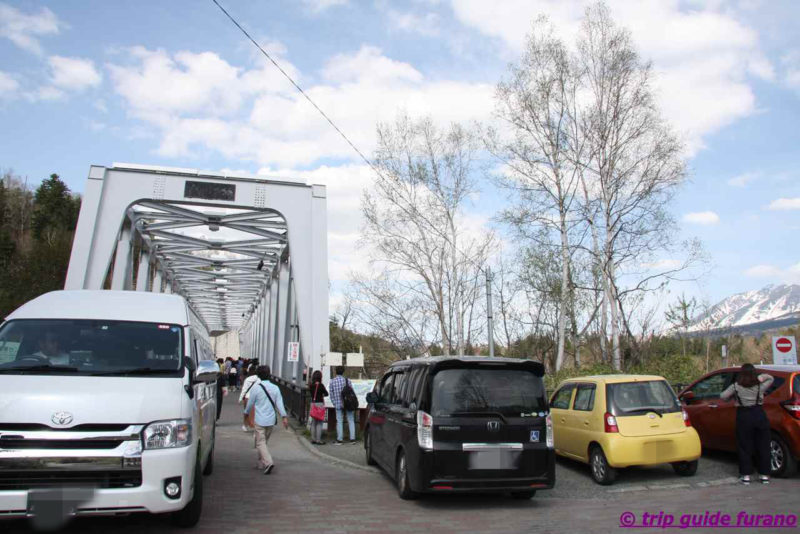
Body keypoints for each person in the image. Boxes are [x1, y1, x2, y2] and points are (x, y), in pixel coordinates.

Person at [721, 363, 775, 485]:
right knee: (763, 445)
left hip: (744, 415)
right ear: (754, 373)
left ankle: (746, 475)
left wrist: (734, 399)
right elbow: (771, 378)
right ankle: (764, 475)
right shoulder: (759, 387)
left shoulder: (736, 386)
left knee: (744, 446)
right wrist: (761, 377)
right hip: (759, 414)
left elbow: (723, 396)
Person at [243, 365, 288, 474]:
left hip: (259, 419)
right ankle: (261, 462)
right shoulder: (275, 388)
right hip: (271, 420)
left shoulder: (256, 388)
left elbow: (250, 404)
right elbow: (280, 404)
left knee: (260, 442)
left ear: (258, 375)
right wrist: (284, 417)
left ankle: (268, 462)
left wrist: (246, 414)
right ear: (269, 374)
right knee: (263, 442)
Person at [329, 366, 356, 445]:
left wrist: (335, 403)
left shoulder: (332, 381)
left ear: (336, 372)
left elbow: (331, 394)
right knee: (351, 420)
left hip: (338, 404)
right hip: (348, 404)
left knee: (339, 421)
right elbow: (352, 392)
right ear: (343, 372)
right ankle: (352, 439)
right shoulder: (347, 381)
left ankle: (340, 439)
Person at [309, 370, 329, 444]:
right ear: (320, 377)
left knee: (313, 422)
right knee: (319, 422)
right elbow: (326, 393)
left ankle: (313, 439)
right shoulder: (321, 385)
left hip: (313, 404)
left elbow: (311, 394)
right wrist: (321, 395)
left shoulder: (311, 385)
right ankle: (318, 440)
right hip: (320, 404)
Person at [239, 364, 260, 431]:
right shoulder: (259, 379)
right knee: (256, 413)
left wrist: (240, 399)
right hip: (257, 398)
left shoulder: (247, 379)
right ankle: (255, 426)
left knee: (246, 412)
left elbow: (244, 390)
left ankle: (245, 425)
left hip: (248, 398)